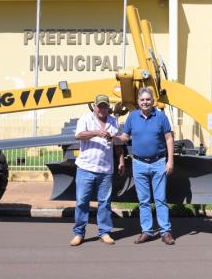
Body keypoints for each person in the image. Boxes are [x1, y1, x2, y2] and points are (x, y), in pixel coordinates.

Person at [117, 86, 176, 245]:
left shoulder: (161, 117)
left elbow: (169, 139)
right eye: (142, 100)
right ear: (138, 102)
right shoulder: (132, 117)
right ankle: (147, 231)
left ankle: (165, 232)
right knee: (143, 200)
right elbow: (125, 136)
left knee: (160, 199)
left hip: (158, 163)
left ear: (153, 101)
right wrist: (115, 138)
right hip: (139, 164)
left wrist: (170, 161)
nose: (145, 102)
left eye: (148, 100)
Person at [70, 94, 124, 246]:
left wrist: (121, 161)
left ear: (108, 107)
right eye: (99, 106)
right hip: (85, 167)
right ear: (94, 107)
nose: (102, 109)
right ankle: (79, 233)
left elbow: (118, 143)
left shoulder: (113, 121)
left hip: (106, 169)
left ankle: (104, 232)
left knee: (105, 203)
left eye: (105, 106)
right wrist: (96, 132)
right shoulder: (86, 119)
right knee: (82, 201)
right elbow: (78, 135)